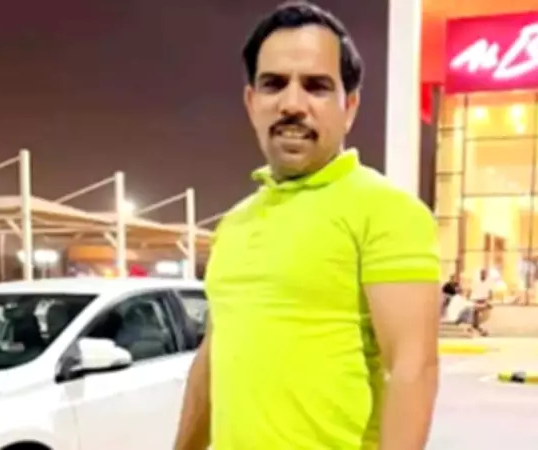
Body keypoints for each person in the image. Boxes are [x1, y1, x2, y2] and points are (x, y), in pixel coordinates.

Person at [173, 2, 441, 450]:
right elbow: (212, 359)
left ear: (349, 106)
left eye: (316, 86)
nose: (292, 104)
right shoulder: (234, 223)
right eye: (273, 84)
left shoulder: (386, 210)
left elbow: (413, 369)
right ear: (251, 102)